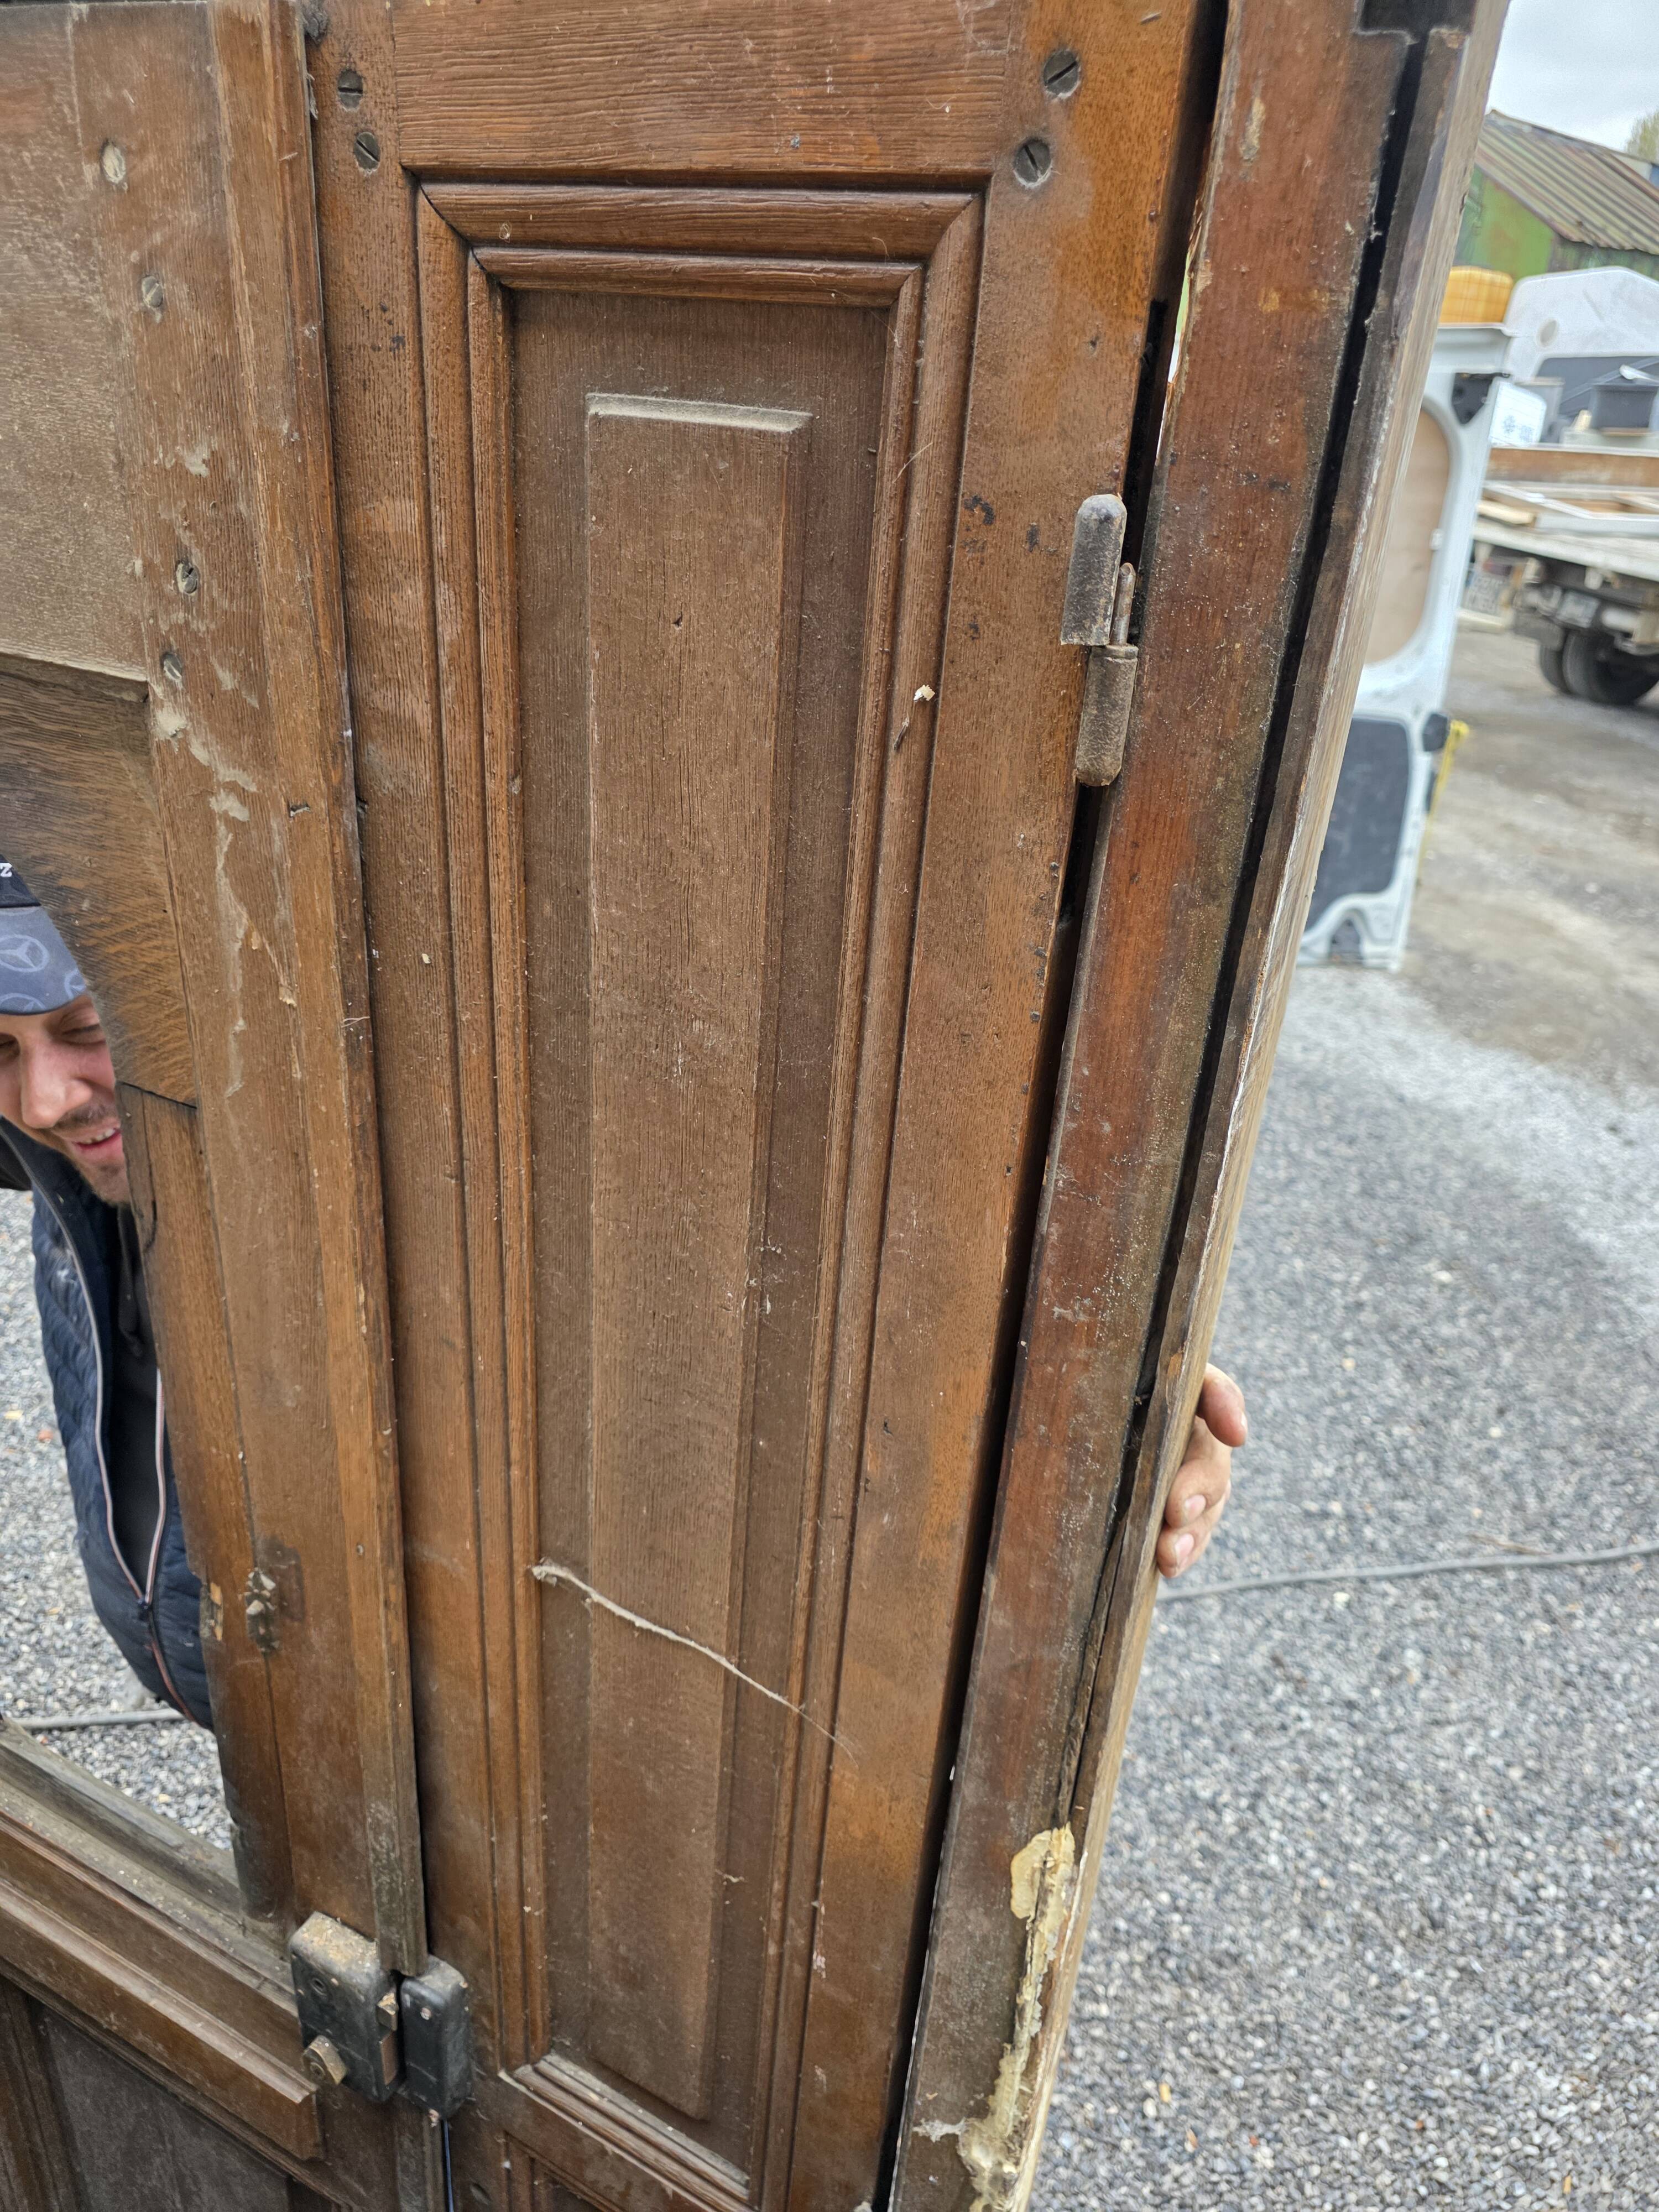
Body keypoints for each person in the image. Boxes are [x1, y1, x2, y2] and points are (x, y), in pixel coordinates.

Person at [0, 853, 1243, 1739]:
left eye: (84, 1025)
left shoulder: (348, 1117)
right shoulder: (66, 1128)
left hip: (425, 1755)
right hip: (248, 1711)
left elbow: (769, 1188)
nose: (49, 1099)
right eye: (4, 1048)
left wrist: (1098, 1375)